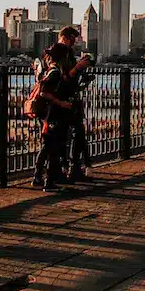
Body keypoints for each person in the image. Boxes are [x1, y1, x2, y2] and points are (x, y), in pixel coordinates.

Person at [52, 26, 94, 181]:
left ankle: (68, 168)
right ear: (66, 37)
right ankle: (72, 168)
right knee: (74, 133)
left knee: (69, 134)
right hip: (64, 100)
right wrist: (78, 67)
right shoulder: (60, 52)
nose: (74, 43)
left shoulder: (59, 52)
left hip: (64, 99)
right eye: (72, 40)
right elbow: (65, 76)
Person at [32, 44, 74, 191]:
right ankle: (49, 182)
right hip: (53, 115)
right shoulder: (55, 73)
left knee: (46, 147)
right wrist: (61, 103)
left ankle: (37, 177)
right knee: (54, 149)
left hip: (48, 115)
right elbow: (44, 92)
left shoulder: (50, 70)